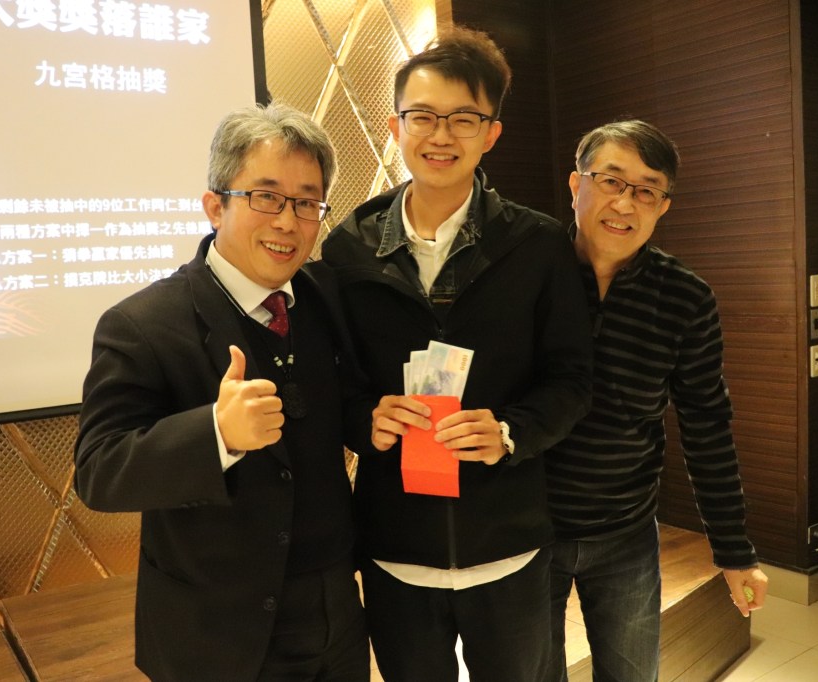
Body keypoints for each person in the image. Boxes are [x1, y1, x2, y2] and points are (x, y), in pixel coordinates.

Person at [321, 27, 594, 682]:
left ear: (491, 133)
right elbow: (337, 382)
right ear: (395, 126)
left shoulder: (538, 245)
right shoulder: (349, 248)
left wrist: (509, 432)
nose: (440, 136)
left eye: (463, 119)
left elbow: (572, 380)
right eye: (422, 116)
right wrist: (365, 421)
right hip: (396, 548)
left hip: (508, 545)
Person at [73, 102, 370, 681]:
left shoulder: (324, 295)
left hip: (335, 609)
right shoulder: (142, 324)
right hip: (216, 630)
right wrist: (216, 434)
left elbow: (341, 402)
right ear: (215, 206)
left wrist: (375, 418)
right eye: (266, 197)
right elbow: (99, 471)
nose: (287, 222)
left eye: (306, 202)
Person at [546, 119, 770, 682]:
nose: (625, 203)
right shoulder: (527, 275)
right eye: (611, 180)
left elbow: (707, 426)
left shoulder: (685, 298)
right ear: (576, 185)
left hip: (625, 531)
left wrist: (734, 550)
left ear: (663, 206)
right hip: (525, 528)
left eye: (647, 190)